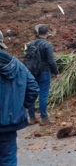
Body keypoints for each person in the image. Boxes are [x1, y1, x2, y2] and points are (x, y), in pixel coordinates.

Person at [0, 30, 39, 165]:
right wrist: (20, 107)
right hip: (8, 124)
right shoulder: (17, 65)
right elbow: (33, 88)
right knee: (7, 158)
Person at [28, 24, 60, 126]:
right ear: (47, 33)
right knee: (43, 95)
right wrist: (56, 72)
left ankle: (32, 118)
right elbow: (51, 61)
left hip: (32, 72)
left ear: (38, 33)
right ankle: (44, 118)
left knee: (32, 94)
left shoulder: (31, 44)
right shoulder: (47, 45)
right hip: (44, 72)